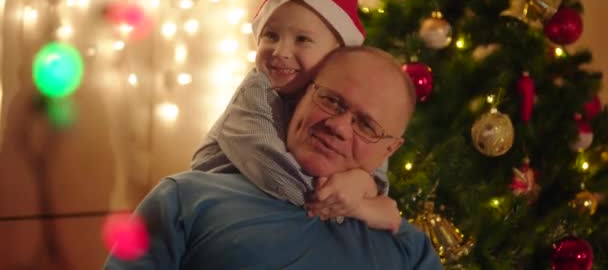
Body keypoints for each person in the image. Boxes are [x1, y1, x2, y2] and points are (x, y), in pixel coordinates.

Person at [105, 46, 441, 269]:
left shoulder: (409, 250)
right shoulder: (186, 199)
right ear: (302, 96)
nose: (338, 126)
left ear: (390, 149)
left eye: (366, 125)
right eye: (332, 101)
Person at [191, 0, 399, 229]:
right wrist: (361, 205)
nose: (280, 51)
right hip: (222, 206)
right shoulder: (254, 94)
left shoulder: (332, 104)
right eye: (271, 36)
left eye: (302, 40)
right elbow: (276, 174)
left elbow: (373, 166)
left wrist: (364, 182)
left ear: (336, 54)